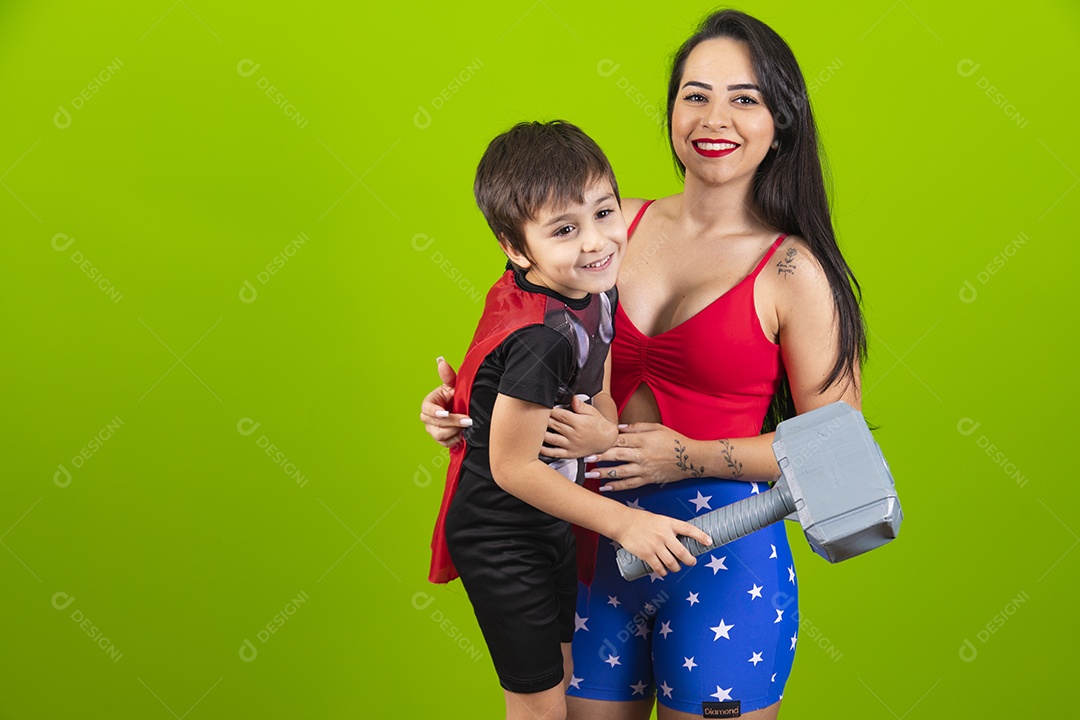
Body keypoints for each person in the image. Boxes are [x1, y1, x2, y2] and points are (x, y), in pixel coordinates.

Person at [421, 11, 867, 719]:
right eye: (695, 94)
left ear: (781, 120)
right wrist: (469, 413)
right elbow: (518, 341)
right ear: (669, 112)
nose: (714, 116)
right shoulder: (605, 224)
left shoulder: (792, 271)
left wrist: (681, 456)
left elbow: (839, 454)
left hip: (723, 561)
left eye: (744, 97)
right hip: (588, 553)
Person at [428, 120, 712, 720]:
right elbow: (509, 467)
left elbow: (597, 392)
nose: (595, 242)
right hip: (502, 531)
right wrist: (623, 525)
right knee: (537, 706)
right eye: (564, 230)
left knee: (559, 674)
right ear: (515, 247)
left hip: (551, 520)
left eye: (605, 213)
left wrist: (601, 430)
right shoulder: (542, 338)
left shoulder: (594, 291)